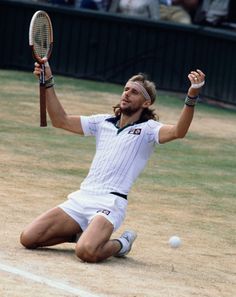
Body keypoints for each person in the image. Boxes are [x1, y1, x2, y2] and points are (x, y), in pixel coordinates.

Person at [20, 60, 205, 263]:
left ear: (146, 103)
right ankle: (82, 235)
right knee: (28, 238)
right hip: (83, 196)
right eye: (126, 89)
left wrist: (192, 96)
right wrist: (48, 81)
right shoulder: (102, 122)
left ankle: (122, 244)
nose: (126, 93)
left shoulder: (149, 129)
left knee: (86, 252)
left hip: (110, 202)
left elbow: (179, 131)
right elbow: (60, 120)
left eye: (134, 92)